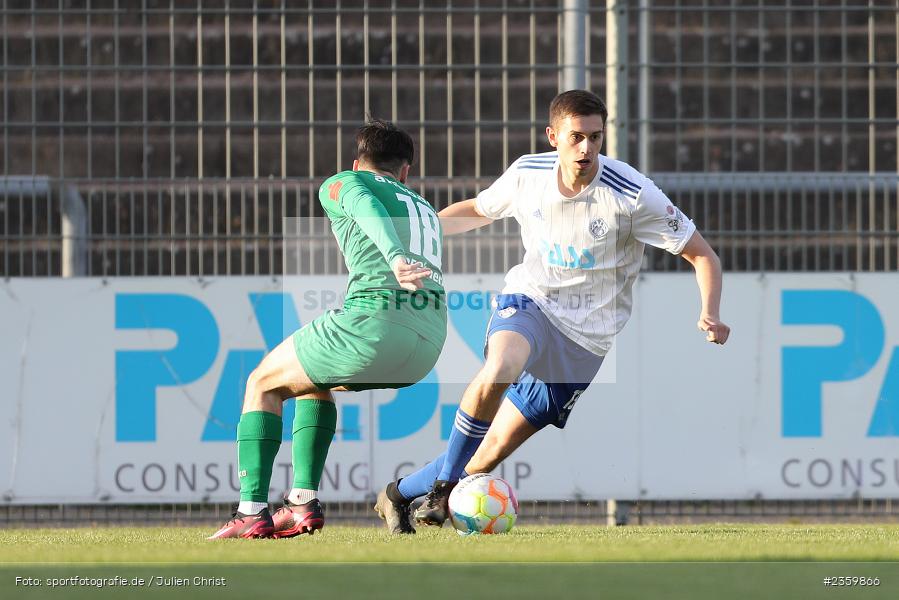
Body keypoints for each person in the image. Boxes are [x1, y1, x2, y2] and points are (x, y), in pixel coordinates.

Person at [373, 90, 731, 534]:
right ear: (553, 136)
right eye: (576, 137)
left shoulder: (633, 194)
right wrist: (421, 237)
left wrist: (709, 313)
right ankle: (446, 488)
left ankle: (397, 494)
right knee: (501, 366)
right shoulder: (528, 172)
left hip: (586, 339)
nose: (586, 149)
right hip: (531, 302)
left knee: (491, 450)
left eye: (596, 138)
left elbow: (703, 256)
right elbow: (478, 211)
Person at [210, 119, 447, 539]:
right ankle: (301, 501)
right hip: (427, 345)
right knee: (307, 380)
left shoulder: (346, 182)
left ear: (357, 163)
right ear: (406, 171)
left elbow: (363, 206)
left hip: (375, 323)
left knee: (261, 382)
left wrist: (392, 256)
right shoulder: (422, 206)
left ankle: (250, 510)